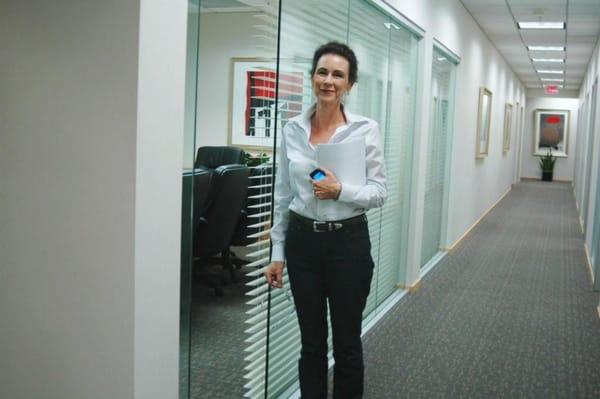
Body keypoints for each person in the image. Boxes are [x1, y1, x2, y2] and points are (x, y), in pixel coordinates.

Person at [264, 41, 387, 399]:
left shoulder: (365, 129)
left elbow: (379, 191)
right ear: (312, 77)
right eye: (322, 72)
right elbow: (284, 194)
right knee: (311, 343)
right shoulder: (292, 129)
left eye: (338, 74)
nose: (328, 80)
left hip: (347, 244)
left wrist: (341, 191)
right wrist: (278, 252)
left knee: (347, 342)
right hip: (304, 244)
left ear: (349, 85)